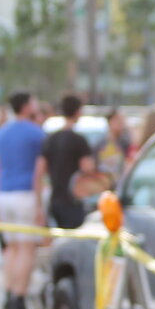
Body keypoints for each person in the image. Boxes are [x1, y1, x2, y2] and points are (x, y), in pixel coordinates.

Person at [0, 91, 48, 309]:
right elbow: (40, 172)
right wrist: (40, 203)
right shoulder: (36, 133)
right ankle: (19, 298)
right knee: (26, 248)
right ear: (26, 106)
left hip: (4, 193)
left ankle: (9, 293)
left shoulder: (1, 133)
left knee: (12, 248)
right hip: (25, 193)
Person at [38, 94, 98, 231]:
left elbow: (40, 170)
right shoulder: (79, 140)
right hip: (73, 201)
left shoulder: (51, 139)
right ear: (78, 112)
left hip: (55, 200)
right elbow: (88, 168)